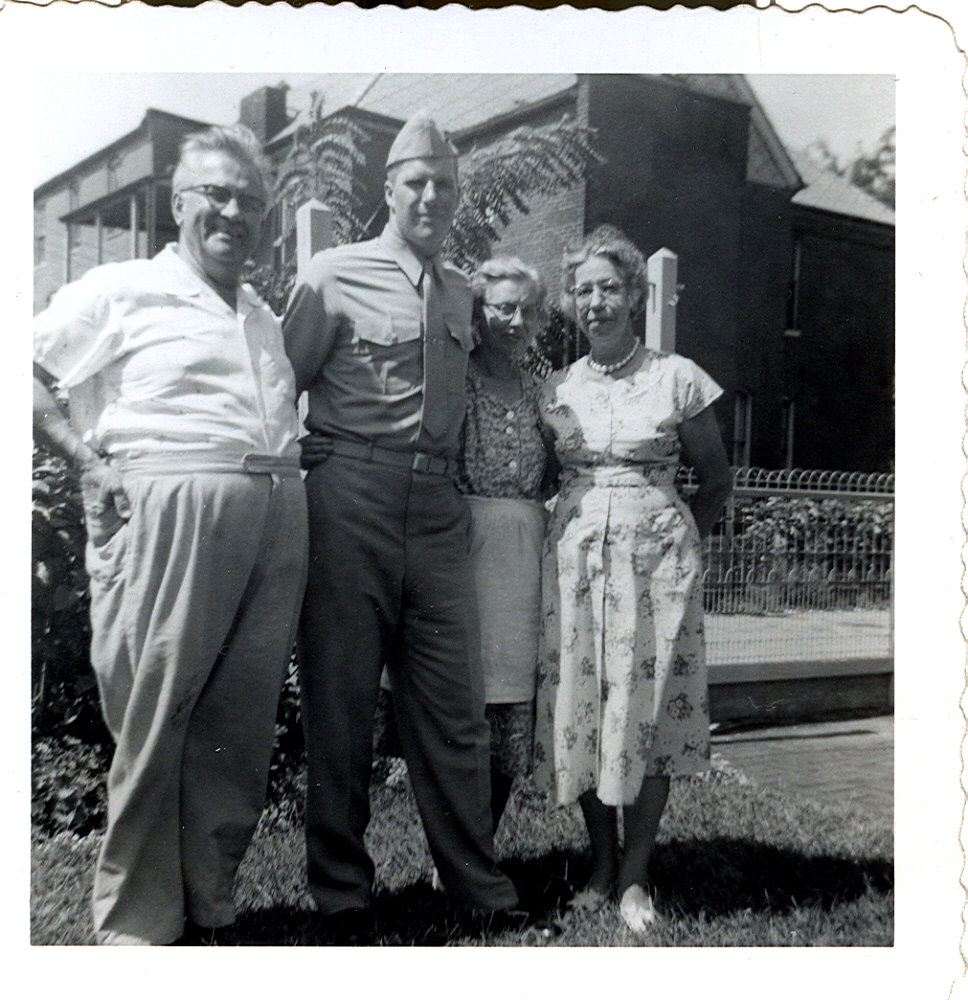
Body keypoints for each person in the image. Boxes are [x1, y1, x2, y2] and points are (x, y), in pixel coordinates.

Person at [32, 125, 309, 946]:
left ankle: (209, 898)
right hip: (165, 511)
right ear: (178, 203)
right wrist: (85, 457)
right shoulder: (121, 288)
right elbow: (29, 369)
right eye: (214, 194)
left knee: (239, 719)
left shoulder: (260, 312)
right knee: (155, 710)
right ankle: (137, 926)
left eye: (248, 200)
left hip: (272, 509)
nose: (232, 212)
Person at [282, 111, 519, 943]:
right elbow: (284, 384)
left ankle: (473, 878)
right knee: (341, 702)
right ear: (387, 190)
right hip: (350, 496)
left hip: (438, 509)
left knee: (452, 707)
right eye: (415, 181)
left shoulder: (462, 292)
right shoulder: (331, 275)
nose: (430, 194)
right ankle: (343, 890)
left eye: (443, 183)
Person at [534, 224, 732, 936]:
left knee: (647, 708)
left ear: (636, 295)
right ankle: (599, 864)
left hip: (657, 570)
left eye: (609, 288)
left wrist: (673, 547)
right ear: (571, 302)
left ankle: (637, 874)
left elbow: (715, 482)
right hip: (577, 568)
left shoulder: (678, 378)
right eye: (584, 290)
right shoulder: (554, 388)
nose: (596, 302)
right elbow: (543, 478)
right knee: (585, 704)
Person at [457, 258, 555, 833]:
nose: (515, 320)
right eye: (501, 307)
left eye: (526, 309)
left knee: (508, 707)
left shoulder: (543, 390)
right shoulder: (454, 380)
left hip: (522, 563)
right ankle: (455, 850)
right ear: (478, 311)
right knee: (462, 697)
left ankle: (480, 849)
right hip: (463, 549)